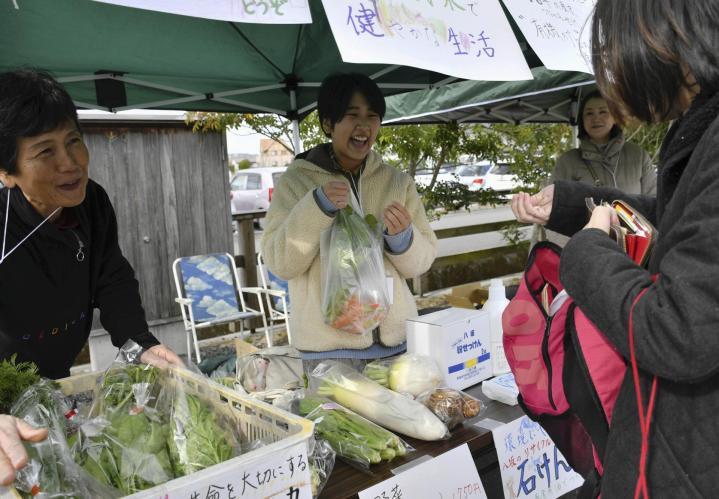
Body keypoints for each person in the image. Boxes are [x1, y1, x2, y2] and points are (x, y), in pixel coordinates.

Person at [512, 0, 719, 496]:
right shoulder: (700, 126)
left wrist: (586, 249)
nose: (613, 74)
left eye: (612, 49)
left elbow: (677, 328)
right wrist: (568, 205)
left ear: (661, 34)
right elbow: (676, 220)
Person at [0, 69, 183, 486]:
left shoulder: (92, 202)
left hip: (57, 376)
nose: (71, 164)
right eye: (45, 151)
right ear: (6, 171)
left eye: (74, 141)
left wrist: (141, 344)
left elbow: (111, 276)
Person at [261, 73, 436, 368]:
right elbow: (280, 263)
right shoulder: (297, 182)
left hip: (400, 346)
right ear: (328, 123)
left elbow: (422, 263)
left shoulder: (397, 182)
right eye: (352, 115)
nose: (364, 126)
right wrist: (316, 207)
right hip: (329, 353)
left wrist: (403, 238)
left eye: (373, 116)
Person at [546, 90, 656, 245]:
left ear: (615, 117)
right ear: (582, 120)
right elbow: (552, 212)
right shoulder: (568, 161)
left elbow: (654, 203)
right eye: (589, 113)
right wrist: (573, 251)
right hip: (587, 251)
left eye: (603, 111)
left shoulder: (638, 156)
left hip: (636, 251)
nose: (596, 118)